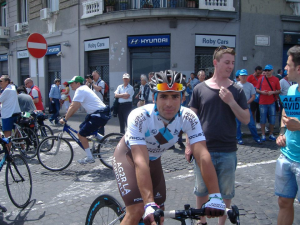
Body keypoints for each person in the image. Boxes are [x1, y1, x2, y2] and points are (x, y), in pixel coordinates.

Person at [113, 70, 226, 225]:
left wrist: (215, 196)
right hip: (128, 156)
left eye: (175, 96)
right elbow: (140, 161)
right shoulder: (139, 116)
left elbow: (202, 155)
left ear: (183, 98)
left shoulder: (188, 117)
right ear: (154, 98)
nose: (169, 103)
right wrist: (148, 203)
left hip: (153, 160)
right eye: (163, 96)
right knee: (138, 210)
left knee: (159, 216)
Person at [186, 46, 250, 225]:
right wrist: (188, 144)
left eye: (232, 63)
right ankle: (202, 221)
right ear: (215, 62)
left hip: (228, 150)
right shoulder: (200, 88)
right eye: (226, 62)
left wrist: (231, 102)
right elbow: (191, 119)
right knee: (201, 190)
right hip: (202, 149)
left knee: (226, 193)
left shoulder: (237, 90)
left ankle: (221, 224)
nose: (230, 66)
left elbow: (245, 118)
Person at [59, 76, 110, 164]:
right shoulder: (84, 88)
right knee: (82, 126)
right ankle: (101, 138)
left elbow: (73, 106)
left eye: (72, 83)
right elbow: (76, 106)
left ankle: (90, 157)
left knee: (81, 134)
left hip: (97, 116)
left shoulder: (80, 90)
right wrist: (66, 116)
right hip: (99, 115)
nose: (70, 85)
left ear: (78, 83)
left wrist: (65, 119)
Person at [275, 45, 300, 225]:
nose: (285, 68)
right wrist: (282, 132)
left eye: (288, 64)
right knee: (283, 201)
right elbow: (286, 114)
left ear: (298, 68)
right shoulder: (291, 89)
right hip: (287, 155)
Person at [235, 69, 261, 144]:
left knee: (251, 124)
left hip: (247, 107)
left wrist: (247, 102)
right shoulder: (235, 85)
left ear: (247, 76)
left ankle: (256, 138)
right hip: (237, 108)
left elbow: (253, 96)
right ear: (239, 76)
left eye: (245, 75)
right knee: (237, 125)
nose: (243, 77)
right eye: (242, 75)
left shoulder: (250, 85)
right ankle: (239, 138)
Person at [256, 64, 281, 142]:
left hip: (272, 102)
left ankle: (271, 134)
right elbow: (256, 89)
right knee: (262, 119)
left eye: (268, 70)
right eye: (265, 70)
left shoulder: (276, 79)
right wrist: (262, 92)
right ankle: (263, 134)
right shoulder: (261, 79)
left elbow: (279, 90)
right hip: (262, 102)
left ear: (272, 71)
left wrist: (273, 92)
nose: (267, 72)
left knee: (272, 119)